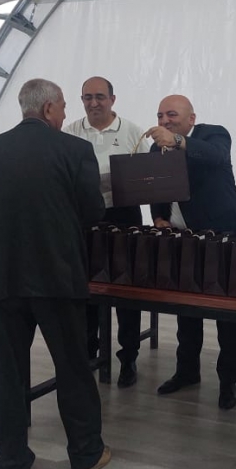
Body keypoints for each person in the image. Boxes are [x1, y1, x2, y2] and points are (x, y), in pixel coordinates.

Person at [0, 79, 112, 469]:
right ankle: (86, 455)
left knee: (8, 376)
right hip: (58, 279)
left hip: (1, 282)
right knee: (73, 369)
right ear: (48, 109)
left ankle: (12, 462)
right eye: (63, 107)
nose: (64, 114)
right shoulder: (75, 150)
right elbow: (93, 212)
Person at [147, 94, 236, 411]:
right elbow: (155, 188)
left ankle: (228, 380)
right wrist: (158, 217)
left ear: (191, 119)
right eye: (160, 116)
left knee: (228, 315)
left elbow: (216, 157)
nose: (165, 121)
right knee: (187, 310)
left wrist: (177, 142)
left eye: (172, 115)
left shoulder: (213, 134)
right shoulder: (156, 148)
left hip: (224, 239)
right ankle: (187, 371)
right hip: (182, 240)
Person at [64, 75, 149, 388]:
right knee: (86, 288)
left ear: (113, 99)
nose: (94, 103)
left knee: (127, 290)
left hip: (125, 215)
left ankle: (128, 358)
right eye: (87, 97)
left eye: (100, 97)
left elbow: (148, 176)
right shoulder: (70, 132)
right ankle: (89, 353)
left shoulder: (132, 131)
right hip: (84, 217)